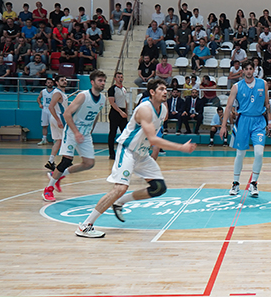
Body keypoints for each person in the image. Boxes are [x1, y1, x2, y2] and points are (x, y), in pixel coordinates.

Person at [75, 78, 196, 238]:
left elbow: (153, 134)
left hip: (142, 153)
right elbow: (153, 139)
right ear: (152, 92)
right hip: (128, 151)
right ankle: (85, 225)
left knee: (159, 188)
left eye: (166, 89)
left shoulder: (164, 110)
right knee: (119, 188)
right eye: (161, 89)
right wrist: (180, 147)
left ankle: (121, 201)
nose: (165, 91)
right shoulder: (144, 109)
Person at [43, 71, 108, 202]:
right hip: (72, 131)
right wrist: (76, 132)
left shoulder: (103, 99)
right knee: (66, 160)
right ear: (92, 82)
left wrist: (90, 131)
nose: (103, 83)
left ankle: (59, 175)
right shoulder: (83, 96)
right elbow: (67, 114)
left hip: (85, 133)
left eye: (104, 81)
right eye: (100, 80)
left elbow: (95, 116)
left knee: (89, 163)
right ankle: (48, 190)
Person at [221, 60, 271, 197]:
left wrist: (270, 122)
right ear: (242, 71)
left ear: (254, 70)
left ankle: (254, 183)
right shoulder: (237, 87)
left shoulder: (263, 84)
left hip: (259, 122)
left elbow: (267, 104)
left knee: (259, 153)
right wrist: (223, 126)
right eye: (247, 69)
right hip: (243, 121)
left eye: (251, 68)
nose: (249, 71)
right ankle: (235, 183)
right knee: (240, 154)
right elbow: (228, 107)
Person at [46, 75, 69, 171]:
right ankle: (65, 162)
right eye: (62, 80)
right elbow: (51, 107)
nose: (65, 81)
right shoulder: (57, 93)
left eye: (65, 80)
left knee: (58, 140)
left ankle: (50, 161)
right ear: (57, 82)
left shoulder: (60, 93)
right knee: (65, 139)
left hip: (56, 117)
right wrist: (59, 120)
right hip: (59, 117)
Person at [107, 72, 129, 161]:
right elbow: (112, 102)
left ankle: (125, 151)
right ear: (115, 78)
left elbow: (125, 102)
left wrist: (126, 112)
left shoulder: (124, 89)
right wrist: (120, 112)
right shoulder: (112, 89)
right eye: (118, 77)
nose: (120, 78)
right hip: (115, 112)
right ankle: (112, 153)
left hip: (123, 112)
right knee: (113, 133)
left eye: (121, 77)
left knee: (125, 132)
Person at [37, 78, 56, 147]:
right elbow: (38, 98)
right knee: (44, 125)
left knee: (54, 125)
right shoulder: (43, 91)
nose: (49, 84)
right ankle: (44, 139)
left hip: (53, 109)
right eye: (48, 83)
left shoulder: (55, 91)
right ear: (46, 84)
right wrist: (40, 104)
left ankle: (55, 139)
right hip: (45, 109)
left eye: (51, 83)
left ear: (53, 84)